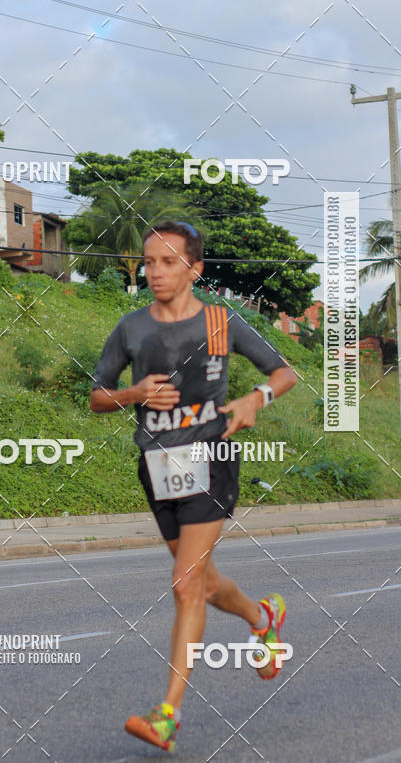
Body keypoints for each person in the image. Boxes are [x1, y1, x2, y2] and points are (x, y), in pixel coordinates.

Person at [89, 221, 297, 754]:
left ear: (194, 269)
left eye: (167, 262)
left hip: (213, 456)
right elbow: (97, 397)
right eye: (148, 262)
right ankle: (262, 617)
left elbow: (283, 373)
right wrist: (133, 392)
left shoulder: (219, 322)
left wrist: (255, 400)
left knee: (184, 585)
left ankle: (167, 717)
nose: (154, 271)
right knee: (201, 582)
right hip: (157, 466)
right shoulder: (131, 328)